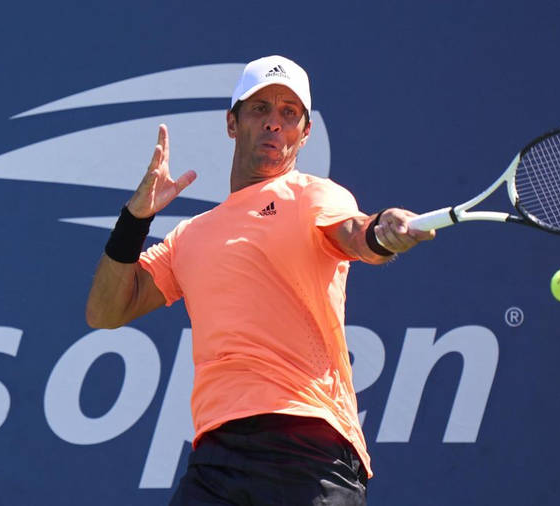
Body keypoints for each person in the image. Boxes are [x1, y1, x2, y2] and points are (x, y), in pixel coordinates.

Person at [86, 55, 435, 505]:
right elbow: (105, 311)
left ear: (304, 133)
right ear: (232, 123)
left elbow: (356, 234)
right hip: (216, 457)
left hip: (308, 445)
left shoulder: (312, 195)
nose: (275, 123)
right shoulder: (188, 236)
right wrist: (135, 220)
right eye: (260, 109)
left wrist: (382, 229)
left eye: (290, 114)